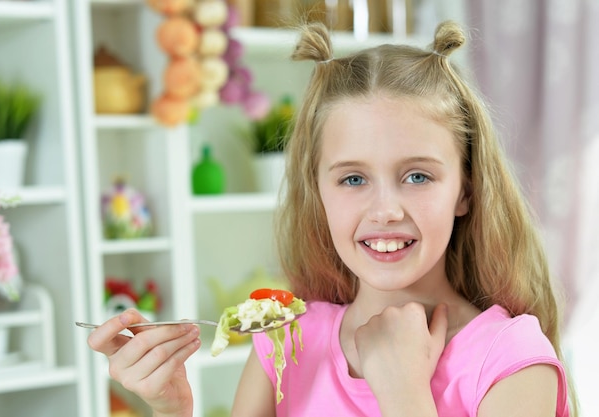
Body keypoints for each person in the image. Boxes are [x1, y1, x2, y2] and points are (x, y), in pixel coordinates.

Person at [87, 20, 577, 417]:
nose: (385, 210)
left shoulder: (509, 361)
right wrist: (171, 409)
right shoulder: (287, 341)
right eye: (353, 180)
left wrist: (403, 393)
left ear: (465, 190)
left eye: (418, 177)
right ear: (318, 194)